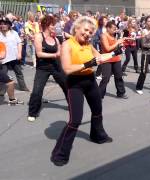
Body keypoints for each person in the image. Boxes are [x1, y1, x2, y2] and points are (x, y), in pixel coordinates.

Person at [51, 16, 115, 166]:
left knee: (97, 110)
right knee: (75, 120)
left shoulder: (88, 43)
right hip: (75, 83)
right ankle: (60, 153)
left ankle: (97, 136)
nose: (88, 33)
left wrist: (114, 51)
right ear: (77, 28)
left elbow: (99, 57)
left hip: (90, 80)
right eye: (86, 30)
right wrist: (88, 63)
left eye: (91, 32)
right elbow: (67, 69)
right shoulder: (67, 44)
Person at [27, 15, 68, 122]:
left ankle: (73, 106)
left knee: (67, 85)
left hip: (56, 66)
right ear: (46, 25)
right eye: (52, 25)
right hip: (43, 68)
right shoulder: (39, 36)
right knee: (37, 90)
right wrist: (54, 55)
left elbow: (60, 52)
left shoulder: (55, 38)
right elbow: (39, 54)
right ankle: (33, 112)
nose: (54, 26)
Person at [98, 21, 127, 99]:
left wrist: (121, 43)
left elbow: (115, 47)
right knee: (106, 78)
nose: (115, 30)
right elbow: (107, 49)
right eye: (113, 29)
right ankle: (99, 95)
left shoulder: (113, 35)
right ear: (108, 28)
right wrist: (117, 42)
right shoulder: (103, 36)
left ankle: (121, 93)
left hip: (116, 58)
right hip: (106, 59)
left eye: (115, 29)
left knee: (119, 76)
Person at [0, 17, 29, 94]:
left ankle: (23, 87)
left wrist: (19, 53)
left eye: (5, 24)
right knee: (3, 74)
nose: (2, 25)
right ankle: (2, 91)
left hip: (14, 57)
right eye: (1, 24)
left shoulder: (14, 33)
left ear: (9, 25)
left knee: (19, 72)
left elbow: (19, 43)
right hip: (3, 59)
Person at [0, 41, 24, 105]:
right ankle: (12, 100)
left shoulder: (1, 44)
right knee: (10, 82)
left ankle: (12, 100)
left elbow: (2, 56)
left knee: (10, 82)